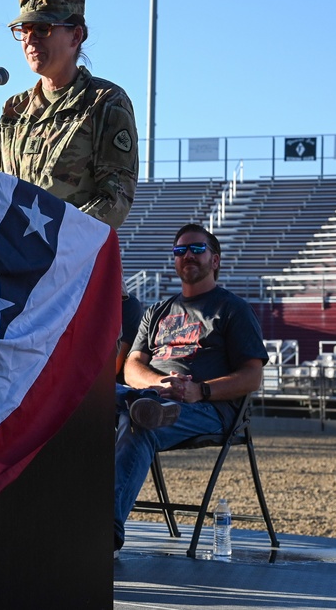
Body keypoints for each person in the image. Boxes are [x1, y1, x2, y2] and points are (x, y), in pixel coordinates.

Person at [113, 223, 268, 555]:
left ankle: (102, 530)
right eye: (180, 250)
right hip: (149, 395)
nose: (187, 256)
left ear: (215, 260)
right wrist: (159, 384)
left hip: (207, 409)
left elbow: (253, 377)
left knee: (141, 421)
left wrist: (201, 391)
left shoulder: (232, 310)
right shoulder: (156, 312)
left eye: (197, 249)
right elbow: (131, 366)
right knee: (84, 405)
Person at [0, 0, 139, 231]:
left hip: (71, 260)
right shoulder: (14, 109)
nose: (30, 39)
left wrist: (54, 239)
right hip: (14, 261)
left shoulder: (106, 102)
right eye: (24, 30)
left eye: (43, 28)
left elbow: (115, 199)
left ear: (76, 36)